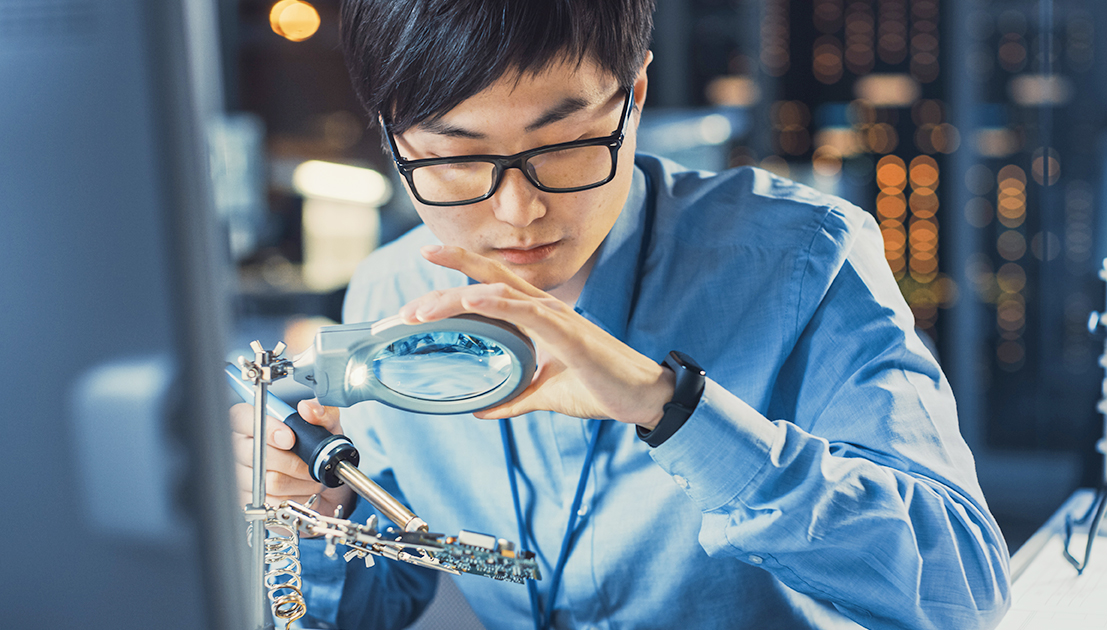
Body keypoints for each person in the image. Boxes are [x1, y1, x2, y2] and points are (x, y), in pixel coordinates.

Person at [229, 1, 1011, 628]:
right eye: (457, 157)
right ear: (392, 133)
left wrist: (670, 410)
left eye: (563, 144)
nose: (517, 212)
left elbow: (963, 593)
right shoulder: (385, 293)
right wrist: (316, 519)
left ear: (633, 96)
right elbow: (375, 603)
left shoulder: (804, 258)